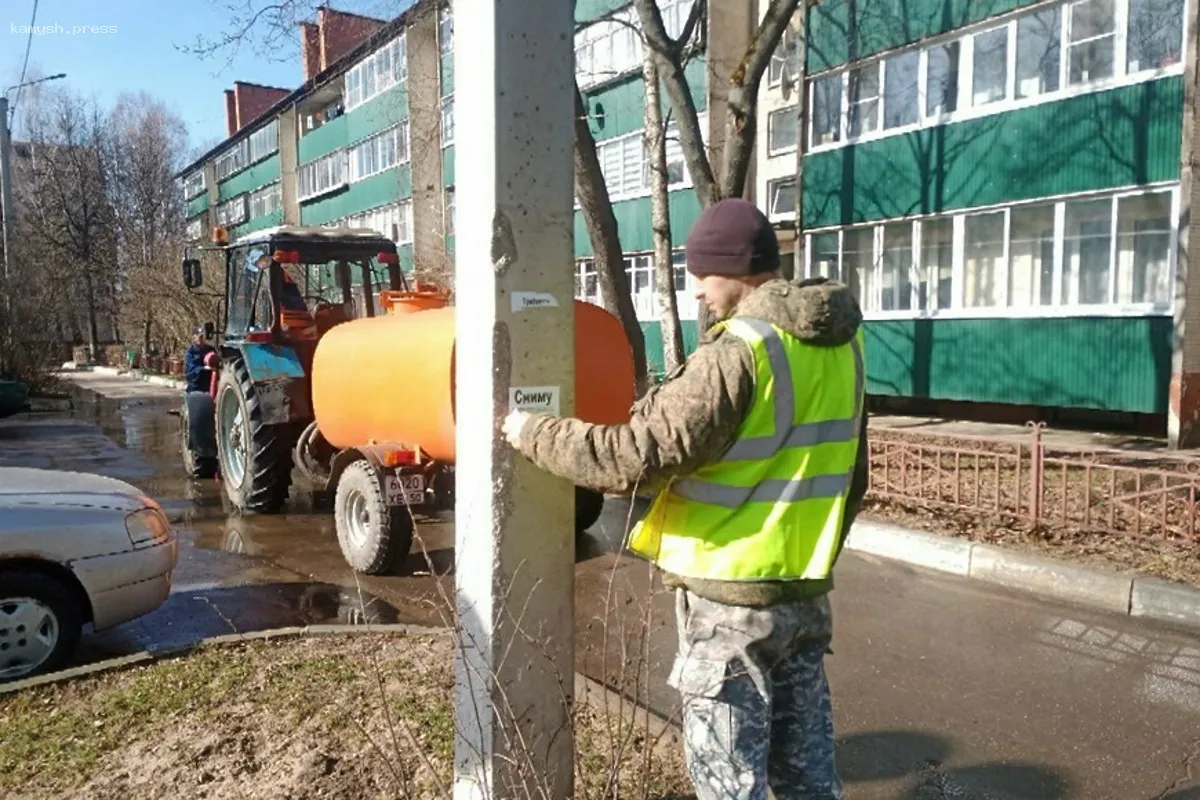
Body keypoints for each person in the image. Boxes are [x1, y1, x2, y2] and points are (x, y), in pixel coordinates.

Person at [501, 197, 868, 799]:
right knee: (808, 781)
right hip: (804, 600)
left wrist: (529, 431)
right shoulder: (843, 347)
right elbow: (855, 478)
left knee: (728, 784)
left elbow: (632, 458)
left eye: (702, 273)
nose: (695, 289)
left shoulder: (740, 352)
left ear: (738, 268)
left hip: (731, 612)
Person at [184, 326, 217, 394]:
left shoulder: (210, 350)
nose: (200, 339)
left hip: (208, 385)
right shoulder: (190, 352)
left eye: (202, 336)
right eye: (198, 336)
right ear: (194, 337)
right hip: (195, 386)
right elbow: (191, 369)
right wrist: (204, 368)